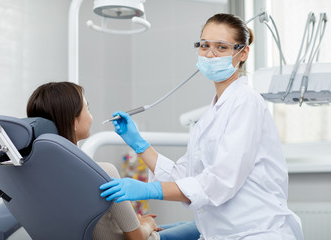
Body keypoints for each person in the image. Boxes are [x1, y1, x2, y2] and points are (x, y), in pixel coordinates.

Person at [100, 13, 304, 240]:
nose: (210, 54)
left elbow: (220, 181)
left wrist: (149, 191)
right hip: (220, 233)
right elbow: (182, 175)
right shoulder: (211, 115)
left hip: (256, 231)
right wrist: (139, 144)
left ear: (242, 53)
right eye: (204, 45)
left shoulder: (247, 102)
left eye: (221, 47)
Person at [26, 82, 159, 240]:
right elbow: (137, 237)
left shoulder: (34, 176)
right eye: (87, 109)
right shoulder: (103, 172)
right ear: (73, 122)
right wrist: (148, 224)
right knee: (191, 227)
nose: (91, 116)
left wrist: (135, 221)